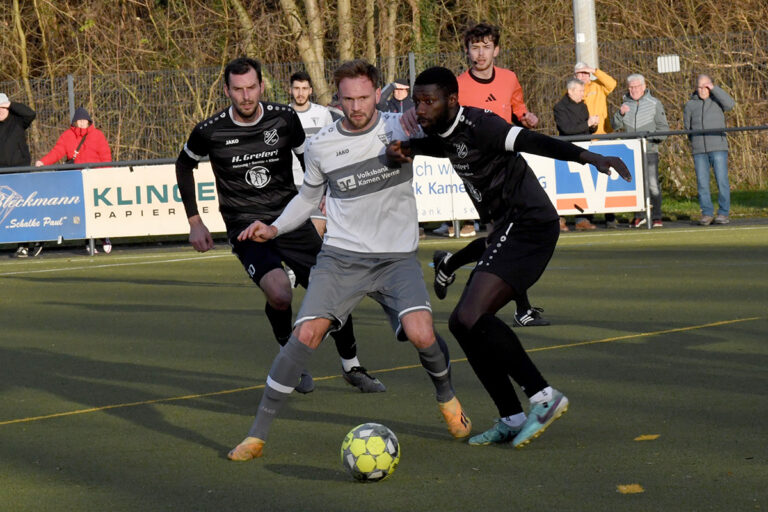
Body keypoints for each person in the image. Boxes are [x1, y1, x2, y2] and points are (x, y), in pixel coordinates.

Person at [229, 59, 472, 461]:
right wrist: (273, 228)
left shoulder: (402, 126)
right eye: (348, 99)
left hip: (396, 259)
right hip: (342, 258)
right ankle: (256, 436)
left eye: (364, 97)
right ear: (337, 99)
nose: (356, 106)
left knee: (422, 333)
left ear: (377, 93)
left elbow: (447, 117)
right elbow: (308, 198)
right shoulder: (323, 143)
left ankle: (447, 399)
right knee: (304, 336)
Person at [387, 66, 631, 448]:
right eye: (417, 101)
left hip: (529, 223)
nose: (420, 109)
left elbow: (535, 141)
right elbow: (447, 147)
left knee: (469, 316)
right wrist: (413, 148)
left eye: (428, 101)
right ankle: (512, 416)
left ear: (452, 101)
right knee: (462, 323)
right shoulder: (444, 131)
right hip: (507, 228)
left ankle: (543, 397)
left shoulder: (483, 124)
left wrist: (591, 158)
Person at [175, 57, 384, 399]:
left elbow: (307, 158)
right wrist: (194, 221)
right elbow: (184, 166)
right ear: (227, 90)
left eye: (251, 88)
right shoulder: (209, 130)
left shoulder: (284, 118)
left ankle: (352, 366)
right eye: (238, 89)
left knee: (331, 290)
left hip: (290, 218)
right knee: (279, 293)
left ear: (262, 86)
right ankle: (291, 358)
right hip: (245, 225)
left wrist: (321, 196)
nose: (245, 96)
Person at [428, 24, 548, 326]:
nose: (480, 53)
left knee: (506, 236)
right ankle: (520, 308)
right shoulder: (457, 86)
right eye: (474, 47)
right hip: (481, 173)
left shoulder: (509, 78)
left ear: (496, 49)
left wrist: (526, 116)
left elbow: (517, 106)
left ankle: (450, 263)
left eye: (486, 46)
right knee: (506, 237)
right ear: (466, 51)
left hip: (510, 166)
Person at [36, 107, 113, 254]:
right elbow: (57, 152)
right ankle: (88, 242)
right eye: (80, 120)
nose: (83, 123)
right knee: (82, 212)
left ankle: (104, 237)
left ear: (89, 121)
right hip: (76, 180)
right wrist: (43, 162)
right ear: (75, 122)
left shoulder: (97, 135)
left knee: (98, 210)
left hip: (95, 179)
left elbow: (105, 157)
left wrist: (105, 175)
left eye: (85, 120)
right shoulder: (67, 136)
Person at [612, 73, 669, 228]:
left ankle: (656, 216)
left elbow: (664, 129)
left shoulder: (654, 103)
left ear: (644, 87)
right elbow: (615, 125)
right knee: (635, 185)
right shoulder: (625, 103)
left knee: (652, 185)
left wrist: (652, 139)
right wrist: (620, 113)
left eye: (637, 86)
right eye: (631, 87)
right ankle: (639, 216)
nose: (634, 89)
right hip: (631, 153)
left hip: (649, 151)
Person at [683, 74, 735, 226]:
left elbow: (730, 104)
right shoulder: (690, 105)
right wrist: (695, 143)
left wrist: (714, 89)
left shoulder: (718, 100)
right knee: (702, 183)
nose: (702, 90)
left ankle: (723, 213)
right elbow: (688, 128)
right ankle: (706, 213)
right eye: (699, 87)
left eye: (705, 86)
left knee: (722, 181)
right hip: (699, 150)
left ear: (710, 86)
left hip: (718, 147)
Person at [288, 70, 333, 237]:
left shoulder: (322, 114)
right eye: (297, 88)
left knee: (317, 231)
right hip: (291, 183)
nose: (300, 93)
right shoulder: (283, 115)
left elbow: (329, 148)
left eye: (304, 88)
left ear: (311, 90)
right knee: (293, 236)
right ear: (290, 90)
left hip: (316, 183)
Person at [574, 62, 619, 228]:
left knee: (606, 176)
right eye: (580, 73)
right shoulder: (573, 90)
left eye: (586, 73)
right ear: (575, 76)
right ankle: (584, 217)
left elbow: (612, 84)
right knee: (586, 179)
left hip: (602, 137)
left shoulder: (598, 86)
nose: (583, 76)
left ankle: (610, 216)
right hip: (584, 139)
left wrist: (594, 70)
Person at [553, 78, 599, 232]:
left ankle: (582, 219)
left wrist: (593, 125)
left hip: (584, 149)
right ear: (570, 91)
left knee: (584, 186)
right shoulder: (560, 108)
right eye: (580, 91)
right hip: (568, 150)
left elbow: (586, 130)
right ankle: (561, 219)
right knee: (567, 186)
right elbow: (567, 129)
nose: (583, 94)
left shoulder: (583, 105)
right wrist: (587, 124)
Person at [0, 93, 42, 258]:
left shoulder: (18, 120)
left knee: (22, 210)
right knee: (5, 212)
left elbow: (30, 113)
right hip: (2, 173)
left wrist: (9, 104)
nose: (1, 111)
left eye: (3, 107)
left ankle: (24, 244)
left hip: (20, 171)